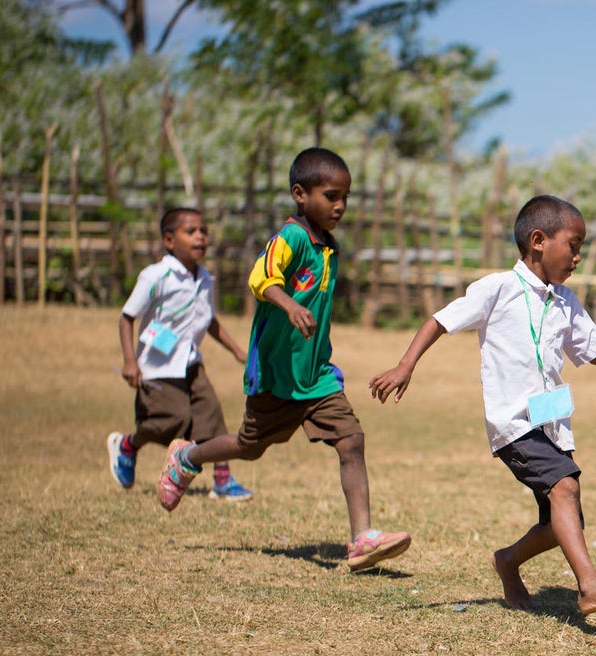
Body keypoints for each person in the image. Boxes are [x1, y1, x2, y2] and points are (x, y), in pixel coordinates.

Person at [369, 195, 596, 614]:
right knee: (565, 488)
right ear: (538, 240)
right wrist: (404, 365)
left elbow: (595, 350)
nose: (578, 257)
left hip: (552, 420)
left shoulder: (566, 302)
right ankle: (590, 585)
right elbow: (439, 321)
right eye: (573, 245)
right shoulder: (498, 289)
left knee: (561, 522)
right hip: (513, 422)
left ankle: (507, 561)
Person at [155, 147, 411, 572]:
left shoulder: (329, 246)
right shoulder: (291, 237)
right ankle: (187, 457)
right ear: (299, 194)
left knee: (351, 440)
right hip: (276, 377)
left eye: (345, 197)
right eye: (331, 196)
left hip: (316, 377)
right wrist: (290, 306)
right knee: (248, 446)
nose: (340, 205)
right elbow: (261, 277)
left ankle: (362, 540)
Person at [107, 207, 253, 501]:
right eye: (191, 232)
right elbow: (127, 317)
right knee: (169, 422)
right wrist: (129, 361)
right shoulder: (156, 276)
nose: (200, 237)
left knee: (211, 414)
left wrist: (238, 351)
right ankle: (128, 445)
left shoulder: (205, 279)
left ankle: (223, 480)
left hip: (189, 361)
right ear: (169, 240)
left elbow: (208, 320)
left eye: (204, 231)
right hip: (157, 365)